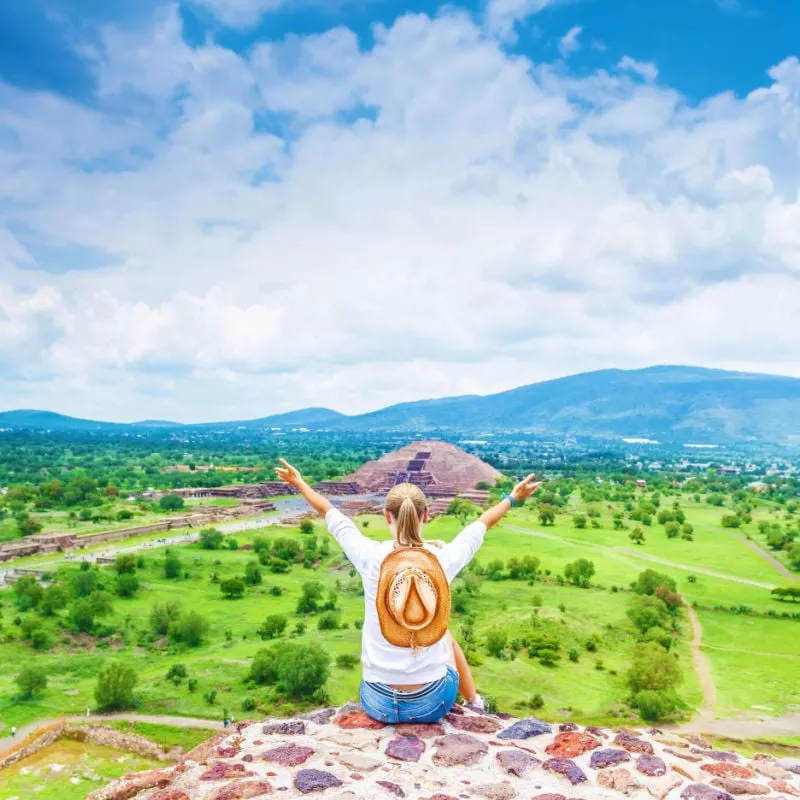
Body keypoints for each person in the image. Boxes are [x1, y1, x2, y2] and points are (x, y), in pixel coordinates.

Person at [276, 458, 541, 723]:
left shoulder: (369, 556)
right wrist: (513, 497)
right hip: (433, 703)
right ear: (426, 515)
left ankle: (470, 701)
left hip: (377, 703)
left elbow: (330, 513)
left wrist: (299, 482)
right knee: (445, 635)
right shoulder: (441, 558)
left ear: (386, 515)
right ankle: (475, 703)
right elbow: (481, 525)